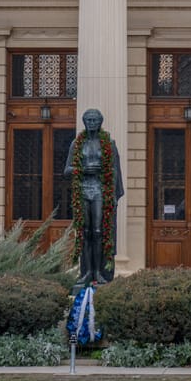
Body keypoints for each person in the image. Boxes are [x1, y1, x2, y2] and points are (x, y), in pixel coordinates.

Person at [62, 107, 124, 285]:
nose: (91, 123)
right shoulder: (77, 143)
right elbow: (67, 170)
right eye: (88, 120)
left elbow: (114, 169)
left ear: (100, 122)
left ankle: (98, 272)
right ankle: (87, 271)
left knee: (98, 231)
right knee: (85, 232)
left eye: (94, 120)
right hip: (83, 189)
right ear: (84, 122)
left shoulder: (108, 143)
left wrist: (112, 191)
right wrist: (81, 169)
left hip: (100, 189)